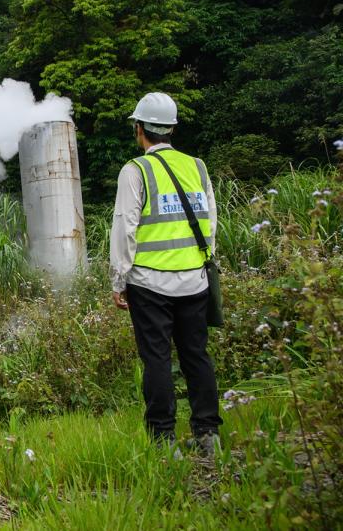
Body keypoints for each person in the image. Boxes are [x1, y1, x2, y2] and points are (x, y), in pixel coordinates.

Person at [110, 92, 223, 455]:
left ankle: (163, 441)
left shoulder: (135, 170)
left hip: (148, 283)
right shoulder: (198, 166)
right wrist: (203, 261)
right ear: (171, 128)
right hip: (194, 280)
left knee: (157, 359)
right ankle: (208, 435)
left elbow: (124, 227)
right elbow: (210, 222)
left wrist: (118, 280)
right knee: (196, 355)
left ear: (139, 129)